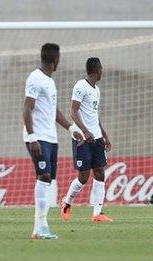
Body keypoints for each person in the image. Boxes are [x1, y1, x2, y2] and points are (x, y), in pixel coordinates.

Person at [23, 43, 83, 240]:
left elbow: (53, 110)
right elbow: (26, 108)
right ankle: (40, 227)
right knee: (44, 176)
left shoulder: (49, 81)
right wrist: (32, 137)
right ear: (55, 59)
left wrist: (72, 129)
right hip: (38, 137)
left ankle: (40, 228)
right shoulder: (35, 78)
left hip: (51, 137)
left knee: (48, 179)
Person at [60, 57, 113, 222]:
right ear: (97, 70)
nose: (102, 71)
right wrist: (85, 131)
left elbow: (94, 115)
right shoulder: (80, 86)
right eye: (101, 69)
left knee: (100, 172)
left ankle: (98, 213)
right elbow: (73, 111)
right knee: (83, 176)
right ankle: (67, 202)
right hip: (82, 138)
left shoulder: (96, 89)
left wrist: (104, 134)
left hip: (96, 137)